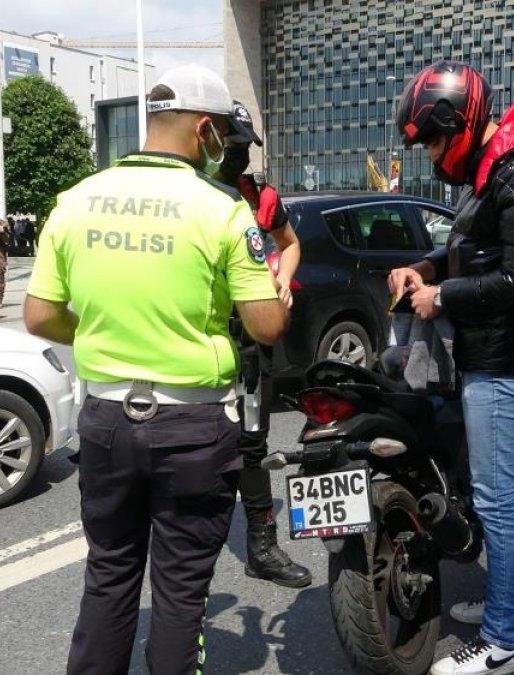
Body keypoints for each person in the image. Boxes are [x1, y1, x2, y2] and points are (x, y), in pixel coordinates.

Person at [24, 64, 289, 674]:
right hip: (194, 426)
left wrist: (100, 331)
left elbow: (38, 316)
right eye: (222, 132)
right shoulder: (223, 210)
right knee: (180, 594)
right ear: (204, 129)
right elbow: (266, 327)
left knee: (109, 576)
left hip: (108, 421)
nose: (225, 146)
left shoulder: (75, 202)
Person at [391, 60, 514, 675]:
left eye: (436, 140)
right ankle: (509, 604)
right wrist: (428, 268)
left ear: (459, 121)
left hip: (503, 354)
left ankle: (501, 645)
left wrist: (440, 297)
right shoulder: (497, 166)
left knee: (495, 499)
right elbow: (470, 246)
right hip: (488, 348)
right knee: (492, 491)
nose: (435, 155)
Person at [213, 99, 311, 588]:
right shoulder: (185, 195)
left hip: (251, 345)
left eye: (244, 147)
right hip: (198, 345)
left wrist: (280, 285)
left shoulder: (261, 197)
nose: (238, 157)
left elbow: (291, 244)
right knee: (199, 448)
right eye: (230, 144)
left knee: (252, 444)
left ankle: (261, 545)